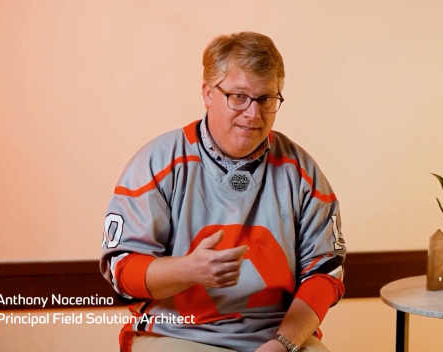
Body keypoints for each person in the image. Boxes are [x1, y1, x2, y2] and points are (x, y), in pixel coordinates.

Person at [100, 31, 346, 352]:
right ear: (207, 93)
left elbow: (326, 272)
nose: (253, 114)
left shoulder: (301, 171)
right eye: (239, 96)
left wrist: (282, 343)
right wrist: (188, 269)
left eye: (266, 99)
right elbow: (121, 269)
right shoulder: (157, 163)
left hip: (277, 335)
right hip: (178, 333)